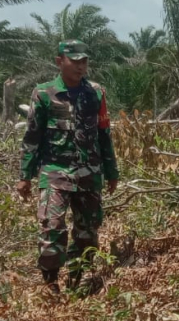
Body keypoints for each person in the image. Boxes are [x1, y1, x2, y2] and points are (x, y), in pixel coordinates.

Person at [16, 39, 120, 293]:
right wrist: (25, 176)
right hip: (54, 172)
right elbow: (32, 137)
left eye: (84, 61)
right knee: (52, 225)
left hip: (89, 173)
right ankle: (50, 281)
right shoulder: (43, 93)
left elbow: (104, 134)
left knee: (88, 232)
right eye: (74, 61)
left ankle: (77, 280)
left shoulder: (96, 93)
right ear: (59, 61)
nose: (80, 66)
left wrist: (112, 171)